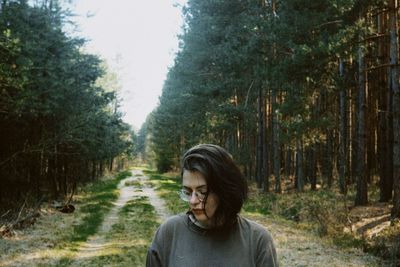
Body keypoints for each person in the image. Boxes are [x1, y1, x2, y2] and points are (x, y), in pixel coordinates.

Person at [146, 144, 278, 267]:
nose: (192, 201)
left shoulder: (257, 240)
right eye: (188, 192)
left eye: (202, 192)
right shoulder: (169, 233)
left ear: (224, 190)